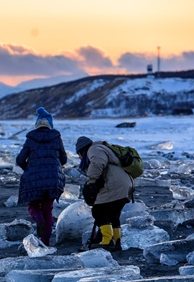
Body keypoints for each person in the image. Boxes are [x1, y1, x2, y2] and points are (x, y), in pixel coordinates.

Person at [15, 107, 67, 246]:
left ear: (36, 125)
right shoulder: (56, 138)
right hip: (53, 179)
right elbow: (64, 159)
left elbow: (20, 159)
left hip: (34, 179)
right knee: (47, 209)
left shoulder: (31, 138)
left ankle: (38, 220)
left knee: (33, 205)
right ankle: (46, 242)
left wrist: (29, 169)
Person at [76, 135, 135, 251]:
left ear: (82, 149)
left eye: (79, 154)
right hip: (125, 185)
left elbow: (97, 163)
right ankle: (117, 242)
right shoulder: (103, 148)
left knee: (98, 211)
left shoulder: (94, 149)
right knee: (113, 214)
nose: (79, 157)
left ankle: (106, 241)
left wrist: (90, 182)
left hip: (115, 184)